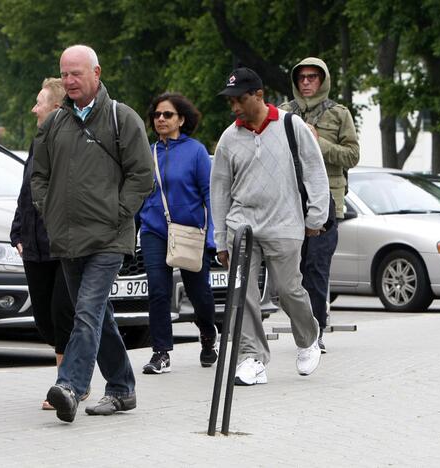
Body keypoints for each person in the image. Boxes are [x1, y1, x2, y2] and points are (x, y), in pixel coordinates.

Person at [31, 45, 154, 423]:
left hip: (108, 239)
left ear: (96, 73)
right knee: (100, 317)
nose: (68, 81)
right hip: (68, 239)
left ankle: (69, 385)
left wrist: (118, 213)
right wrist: (49, 211)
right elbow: (38, 175)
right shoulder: (54, 123)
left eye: (76, 73)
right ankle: (122, 388)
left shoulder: (122, 118)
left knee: (86, 312)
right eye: (64, 74)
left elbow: (142, 176)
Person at [210, 67, 328, 386]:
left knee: (288, 290)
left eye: (240, 100)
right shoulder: (229, 138)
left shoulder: (292, 126)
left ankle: (308, 337)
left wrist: (316, 216)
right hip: (242, 227)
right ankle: (253, 358)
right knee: (242, 292)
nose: (234, 107)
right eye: (230, 101)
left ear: (259, 95)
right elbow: (219, 190)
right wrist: (220, 238)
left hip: (284, 222)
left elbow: (315, 172)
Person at [10, 77, 84, 411]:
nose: (33, 108)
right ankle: (70, 378)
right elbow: (26, 192)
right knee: (43, 319)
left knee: (61, 314)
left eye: (39, 101)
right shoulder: (38, 141)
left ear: (56, 108)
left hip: (63, 247)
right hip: (34, 247)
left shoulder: (70, 143)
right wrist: (17, 232)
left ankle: (67, 385)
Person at [280, 57, 360, 353]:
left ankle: (316, 330)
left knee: (316, 266)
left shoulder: (339, 114)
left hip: (326, 202)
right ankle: (302, 325)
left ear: (323, 80)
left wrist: (318, 143)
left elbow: (352, 156)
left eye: (313, 77)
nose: (307, 82)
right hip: (290, 202)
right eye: (302, 77)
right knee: (292, 269)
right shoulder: (284, 113)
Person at [138, 93, 218, 374]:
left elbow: (210, 194)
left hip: (190, 232)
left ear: (181, 119)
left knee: (200, 295)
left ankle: (208, 334)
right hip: (154, 231)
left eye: (167, 115)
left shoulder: (196, 151)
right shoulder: (148, 153)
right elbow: (139, 193)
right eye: (157, 115)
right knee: (158, 291)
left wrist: (213, 237)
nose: (161, 119)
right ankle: (161, 353)